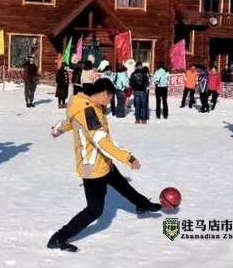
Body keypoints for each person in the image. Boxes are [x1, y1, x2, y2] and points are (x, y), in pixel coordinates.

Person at [47, 78, 162, 253]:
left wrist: (57, 130)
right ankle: (59, 238)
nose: (110, 102)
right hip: (92, 168)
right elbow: (103, 143)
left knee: (122, 184)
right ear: (103, 94)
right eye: (110, 98)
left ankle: (142, 204)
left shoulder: (83, 104)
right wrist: (129, 158)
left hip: (103, 162)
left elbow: (70, 120)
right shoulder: (89, 112)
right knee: (94, 210)